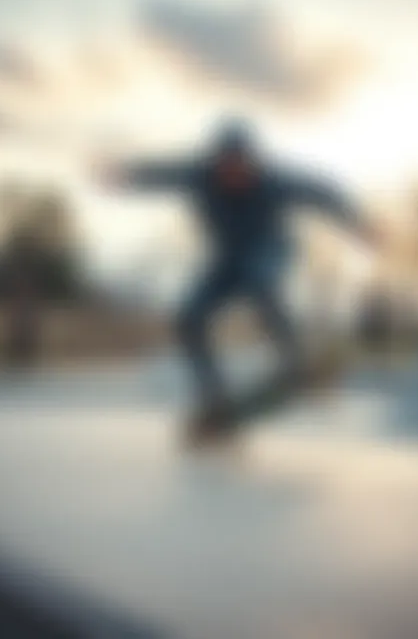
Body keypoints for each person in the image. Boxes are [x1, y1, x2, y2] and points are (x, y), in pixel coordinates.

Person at [98, 118, 377, 440]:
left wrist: (358, 224)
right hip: (225, 261)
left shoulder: (275, 181)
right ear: (215, 163)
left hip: (270, 250)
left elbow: (322, 192)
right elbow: (162, 173)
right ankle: (213, 395)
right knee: (189, 317)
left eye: (241, 167)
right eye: (226, 167)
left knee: (259, 281)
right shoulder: (199, 175)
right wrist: (124, 174)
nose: (233, 175)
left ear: (253, 162)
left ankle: (293, 359)